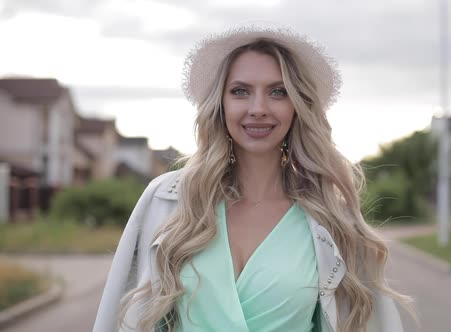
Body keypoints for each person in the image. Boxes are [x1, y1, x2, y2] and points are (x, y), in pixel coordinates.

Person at [93, 24, 411, 332]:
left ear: (297, 107)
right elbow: (121, 316)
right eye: (241, 91)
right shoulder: (168, 199)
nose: (258, 108)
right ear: (221, 104)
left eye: (278, 92)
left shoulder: (329, 219)